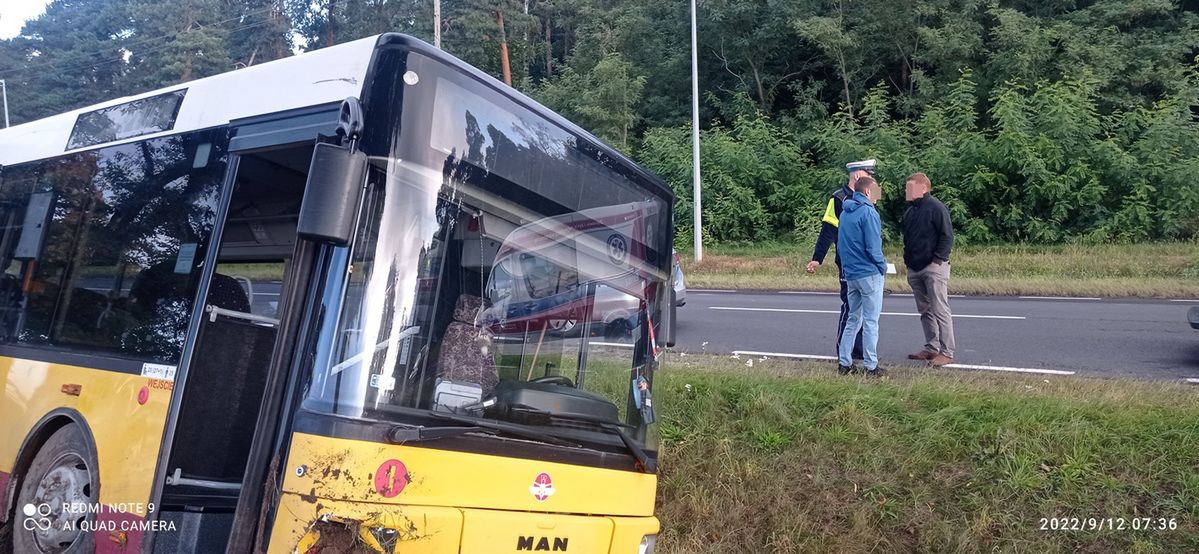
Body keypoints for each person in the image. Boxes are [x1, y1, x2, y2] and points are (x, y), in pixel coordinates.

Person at [807, 159, 875, 364]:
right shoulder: (838, 198)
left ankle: (858, 349)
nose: (872, 179)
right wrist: (817, 259)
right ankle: (843, 351)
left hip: (866, 263)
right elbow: (828, 230)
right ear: (856, 176)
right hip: (847, 262)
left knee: (865, 307)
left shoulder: (868, 195)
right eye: (868, 175)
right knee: (850, 306)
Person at [902, 172, 955, 367]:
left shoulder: (936, 207)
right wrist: (907, 261)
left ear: (923, 188)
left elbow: (947, 236)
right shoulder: (910, 211)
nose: (907, 191)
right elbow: (908, 238)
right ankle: (931, 347)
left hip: (933, 267)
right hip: (914, 267)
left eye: (910, 187)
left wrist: (938, 260)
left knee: (940, 309)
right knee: (924, 310)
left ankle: (947, 351)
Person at [836, 176, 887, 377]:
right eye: (876, 191)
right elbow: (873, 246)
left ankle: (844, 362)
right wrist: (882, 266)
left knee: (852, 319)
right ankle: (871, 365)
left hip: (851, 273)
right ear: (867, 192)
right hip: (869, 272)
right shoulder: (869, 213)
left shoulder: (845, 213)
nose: (878, 195)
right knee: (871, 321)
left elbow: (841, 244)